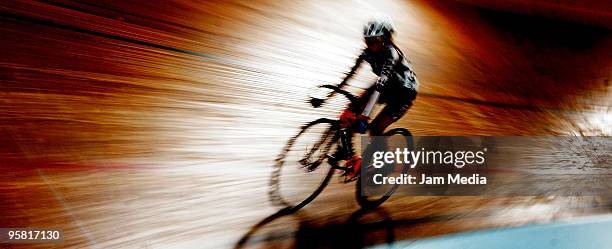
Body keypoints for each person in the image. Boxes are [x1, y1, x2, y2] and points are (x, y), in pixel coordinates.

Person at [332, 18, 419, 180]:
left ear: (385, 40)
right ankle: (349, 155)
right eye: (367, 41)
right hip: (386, 85)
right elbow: (351, 73)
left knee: (375, 130)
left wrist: (365, 115)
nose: (370, 45)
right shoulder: (367, 52)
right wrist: (334, 90)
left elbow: (380, 87)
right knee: (351, 111)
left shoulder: (391, 55)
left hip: (403, 94)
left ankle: (387, 164)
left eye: (374, 41)